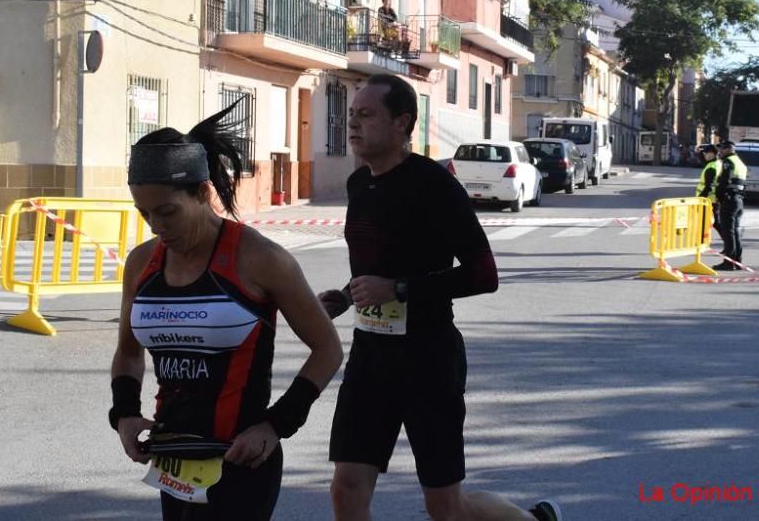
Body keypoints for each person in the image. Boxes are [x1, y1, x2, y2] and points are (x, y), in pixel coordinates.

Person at [318, 74, 561, 521]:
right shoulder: (360, 185)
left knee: (445, 505)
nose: (352, 124)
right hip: (371, 356)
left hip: (428, 358)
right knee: (346, 487)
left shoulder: (433, 185)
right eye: (351, 114)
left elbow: (484, 275)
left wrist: (400, 289)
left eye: (366, 115)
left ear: (401, 123)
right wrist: (347, 296)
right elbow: (379, 266)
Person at [109, 103, 344, 520]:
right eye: (144, 214)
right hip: (173, 457)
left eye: (167, 212)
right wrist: (125, 414)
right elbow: (129, 352)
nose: (156, 226)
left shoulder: (260, 259)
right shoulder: (141, 263)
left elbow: (327, 348)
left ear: (202, 193)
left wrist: (275, 425)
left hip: (241, 459)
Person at [713, 140, 747, 271]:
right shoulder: (740, 162)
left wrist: (719, 197)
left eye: (721, 149)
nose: (720, 151)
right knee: (735, 232)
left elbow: (723, 182)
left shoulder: (728, 162)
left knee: (728, 233)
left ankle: (728, 263)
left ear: (728, 149)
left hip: (729, 199)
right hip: (738, 200)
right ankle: (738, 262)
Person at [695, 143, 723, 239]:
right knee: (708, 221)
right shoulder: (717, 163)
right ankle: (702, 240)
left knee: (709, 221)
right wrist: (699, 153)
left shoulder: (711, 167)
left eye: (706, 153)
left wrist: (701, 198)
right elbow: (704, 161)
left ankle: (727, 240)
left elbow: (708, 186)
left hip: (708, 199)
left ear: (712, 154)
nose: (705, 155)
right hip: (713, 199)